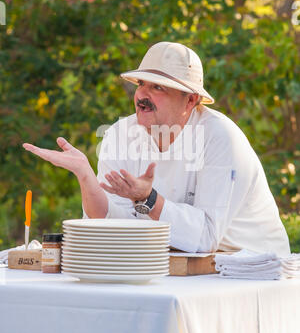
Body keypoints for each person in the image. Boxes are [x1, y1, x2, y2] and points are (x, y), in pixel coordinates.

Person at [23, 41, 291, 256]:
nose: (142, 96)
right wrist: (85, 176)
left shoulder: (220, 137)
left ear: (191, 100)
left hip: (254, 271)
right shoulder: (119, 134)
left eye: (158, 87)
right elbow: (111, 225)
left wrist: (148, 199)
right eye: (141, 84)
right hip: (177, 267)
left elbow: (206, 238)